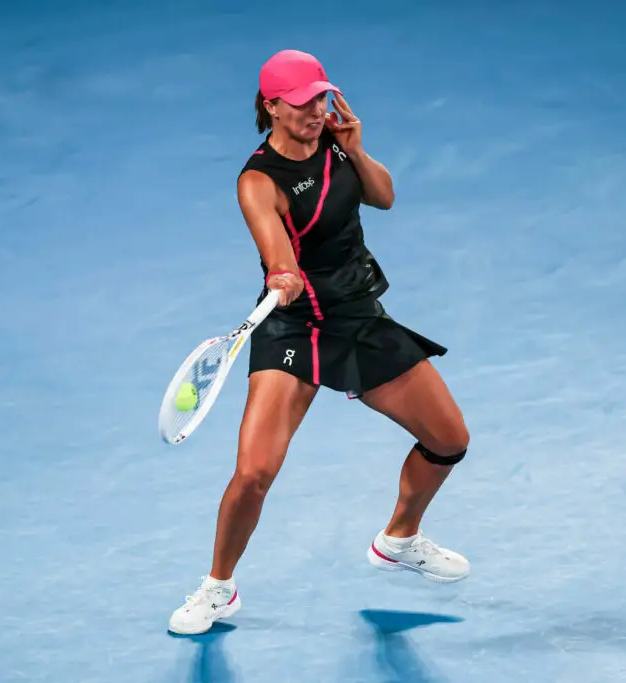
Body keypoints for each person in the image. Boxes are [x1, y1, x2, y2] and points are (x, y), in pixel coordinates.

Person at [168, 49, 471, 636]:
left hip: (358, 316)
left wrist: (355, 146)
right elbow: (277, 252)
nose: (317, 110)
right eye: (303, 102)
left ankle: (399, 540)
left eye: (322, 97)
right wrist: (282, 275)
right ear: (272, 107)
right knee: (254, 472)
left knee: (449, 439)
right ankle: (217, 588)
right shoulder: (258, 180)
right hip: (296, 325)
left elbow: (383, 196)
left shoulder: (335, 140)